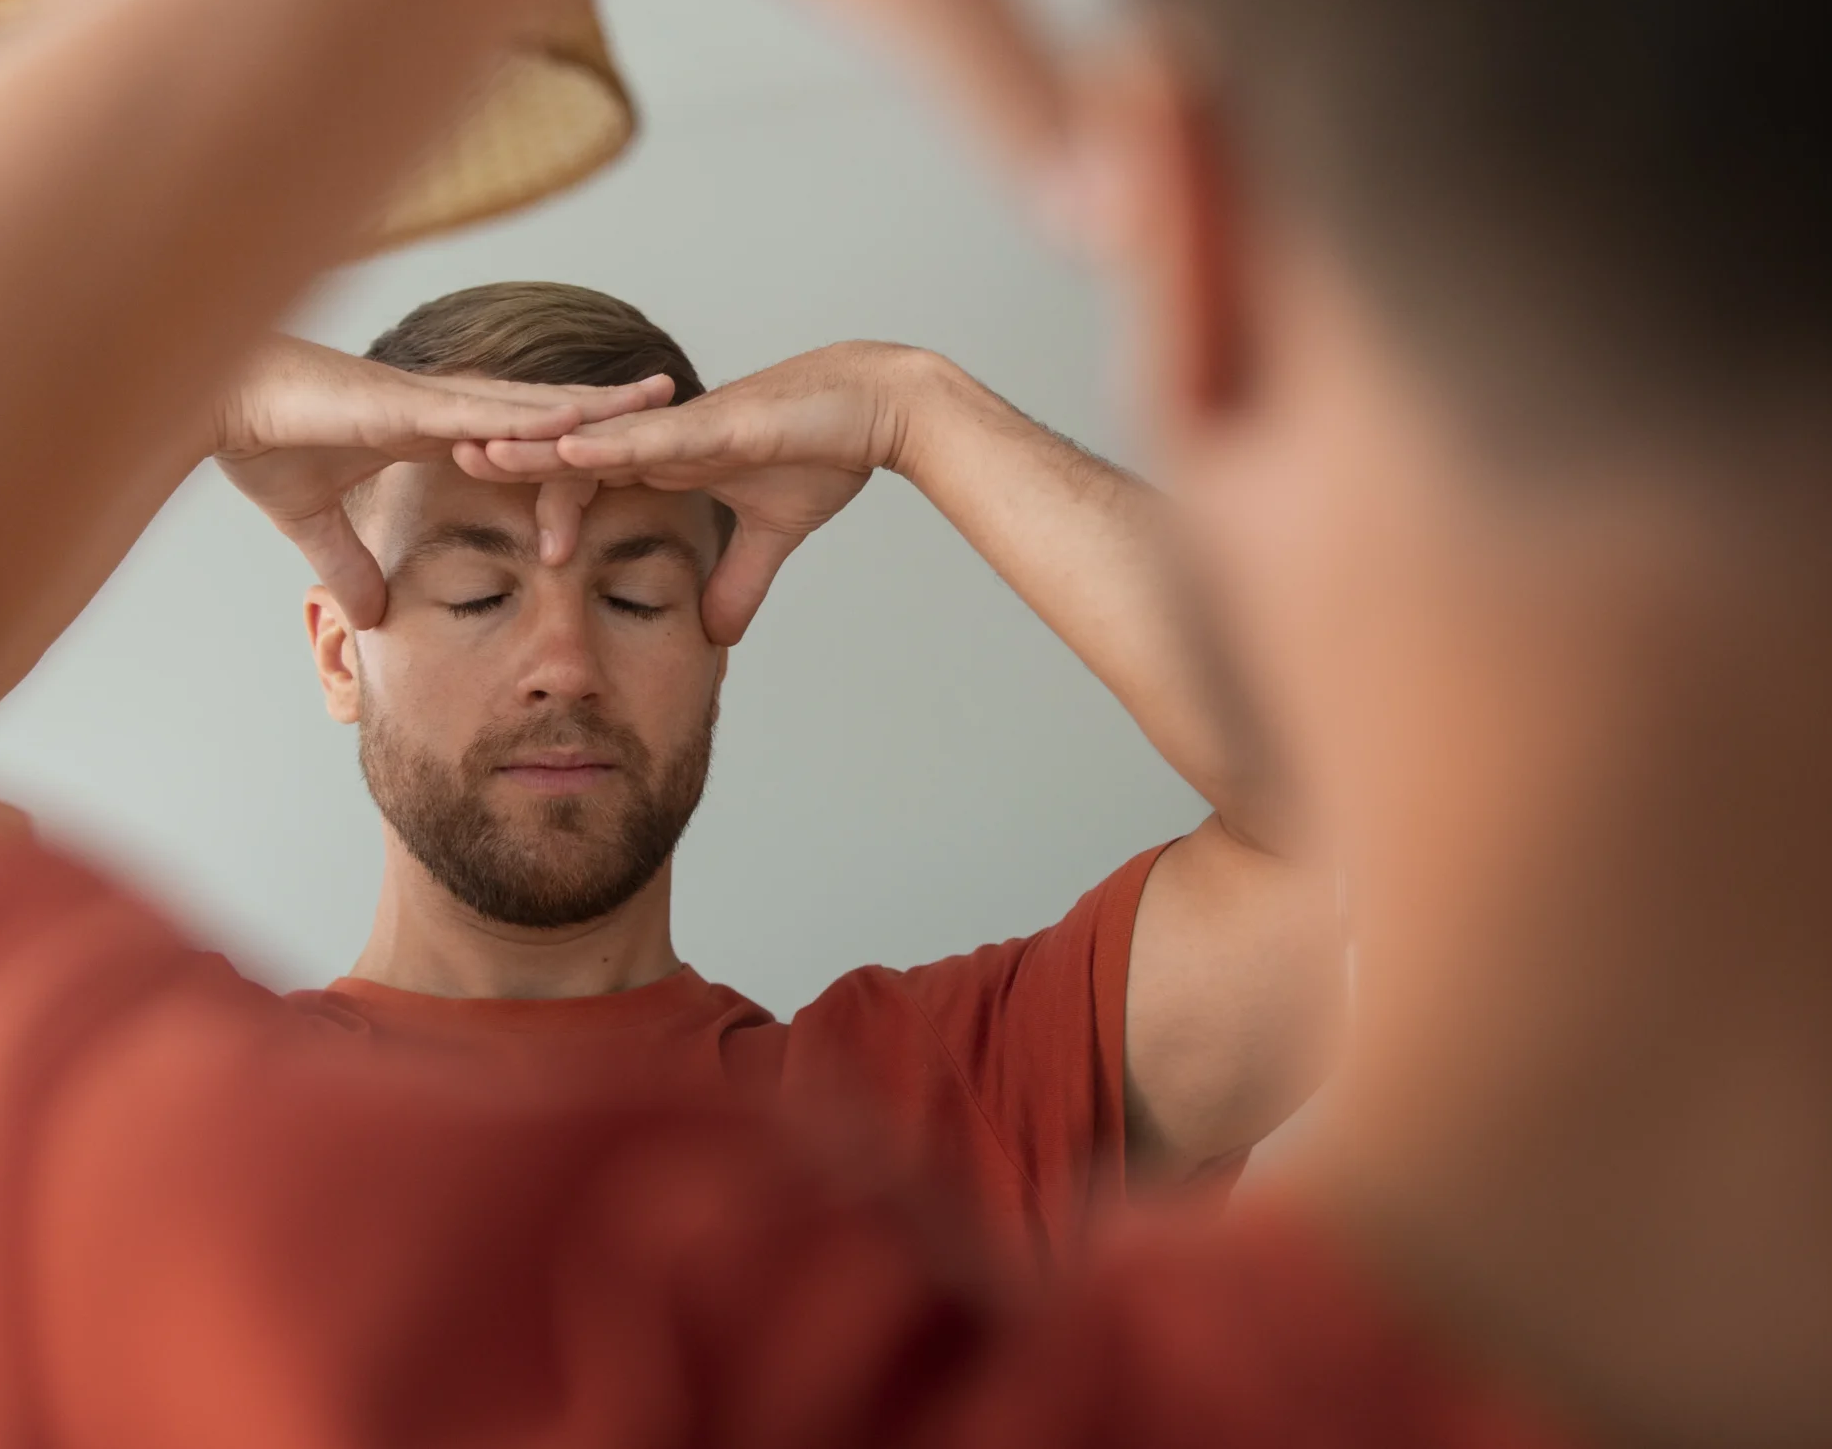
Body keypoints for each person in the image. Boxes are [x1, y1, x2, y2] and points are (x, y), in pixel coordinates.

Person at [0, 0, 1832, 1446]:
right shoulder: (323, 1152)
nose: (561, 646)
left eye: (637, 564)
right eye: (468, 568)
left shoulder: (362, 1272)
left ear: (1195, 245)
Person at [213, 281, 1326, 1260]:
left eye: (634, 599)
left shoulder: (945, 1107)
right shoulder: (187, 1121)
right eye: (478, 596)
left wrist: (912, 407)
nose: (565, 667)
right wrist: (192, 405)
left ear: (713, 646)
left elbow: (1376, 825)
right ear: (335, 655)